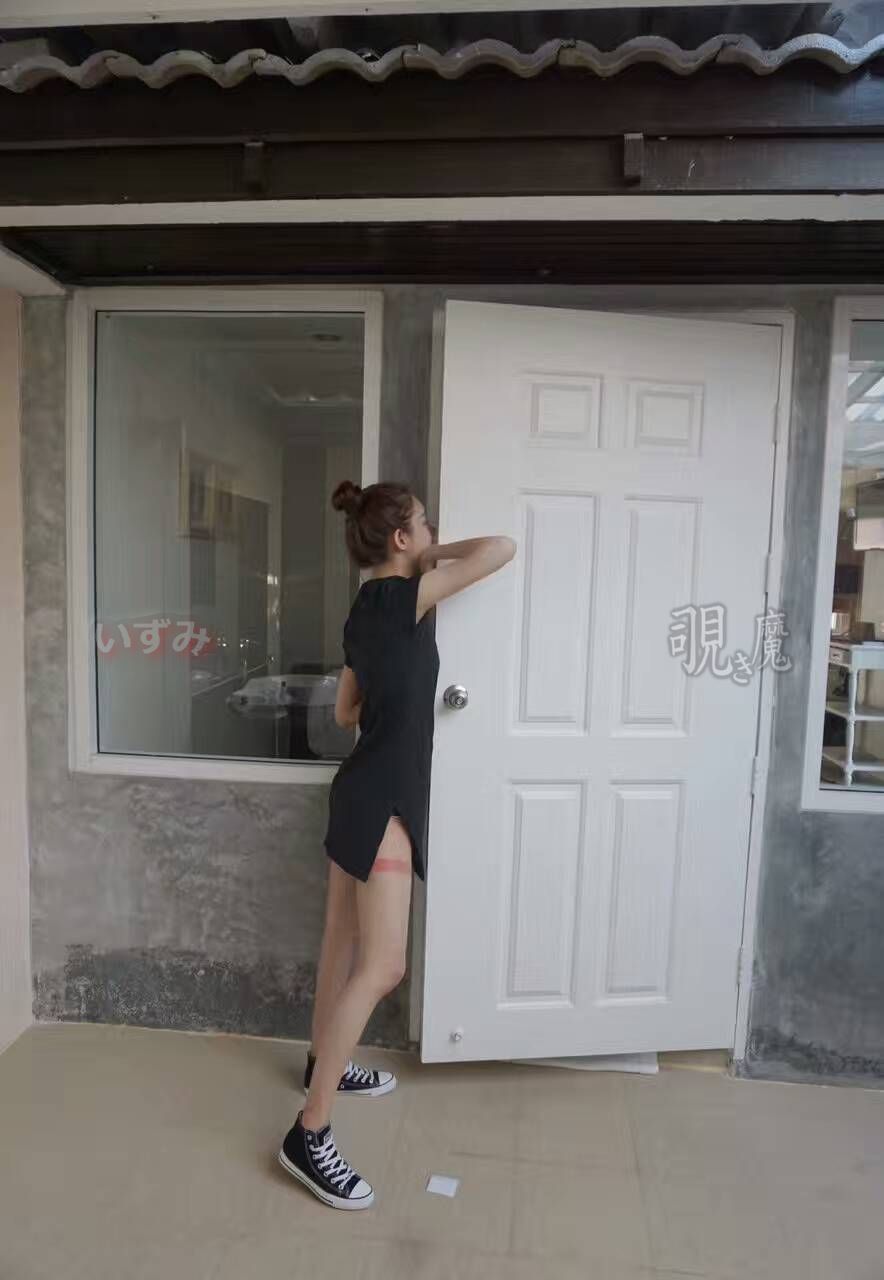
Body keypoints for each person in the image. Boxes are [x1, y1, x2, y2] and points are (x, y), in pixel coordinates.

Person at [277, 479, 516, 1210]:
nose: (434, 533)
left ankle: (322, 1060)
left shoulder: (364, 610)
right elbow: (502, 548)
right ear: (402, 540)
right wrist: (429, 560)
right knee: (383, 965)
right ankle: (309, 1133)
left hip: (358, 792)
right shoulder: (404, 597)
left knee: (341, 943)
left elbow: (346, 711)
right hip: (383, 804)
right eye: (424, 525)